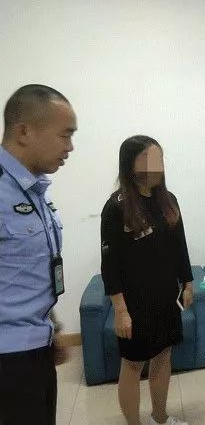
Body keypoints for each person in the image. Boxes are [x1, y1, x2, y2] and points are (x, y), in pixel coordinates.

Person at [100, 136, 193, 425]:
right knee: (132, 364)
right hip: (134, 303)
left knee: (163, 356)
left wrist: (187, 282)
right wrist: (120, 310)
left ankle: (160, 417)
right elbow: (110, 265)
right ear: (130, 164)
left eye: (160, 159)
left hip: (165, 296)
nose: (157, 167)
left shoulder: (169, 201)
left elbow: (179, 246)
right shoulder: (116, 207)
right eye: (149, 160)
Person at [0, 84, 77, 425]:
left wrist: (53, 325)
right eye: (65, 135)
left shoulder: (34, 190)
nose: (70, 147)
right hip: (7, 360)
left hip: (37, 349)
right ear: (24, 131)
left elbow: (27, 273)